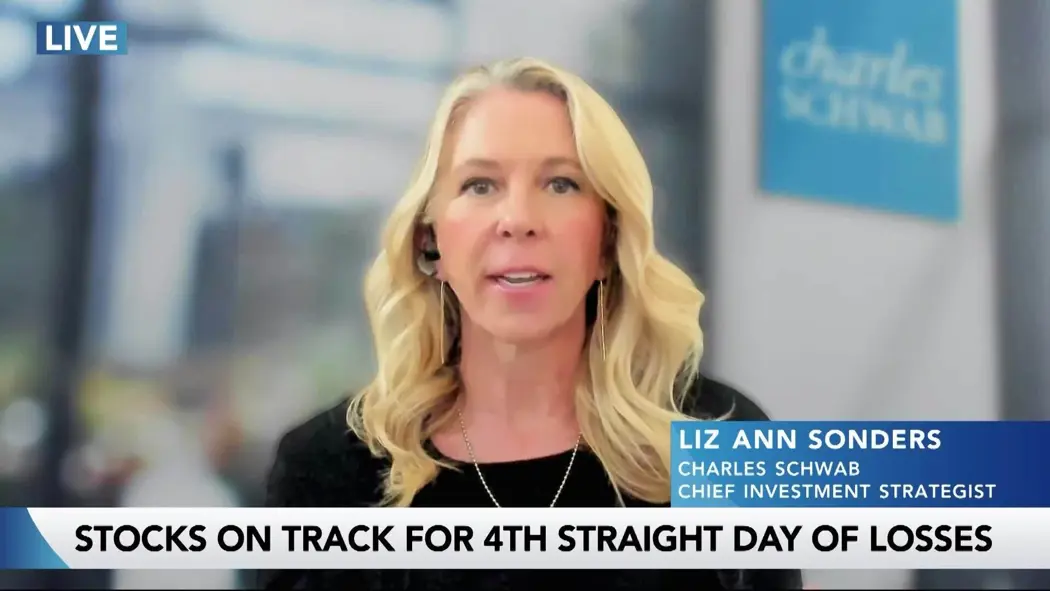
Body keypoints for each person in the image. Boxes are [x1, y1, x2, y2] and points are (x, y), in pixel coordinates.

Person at [259, 57, 803, 590]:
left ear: (608, 242)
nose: (518, 220)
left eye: (561, 184)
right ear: (430, 241)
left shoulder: (724, 439)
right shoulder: (325, 467)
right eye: (480, 185)